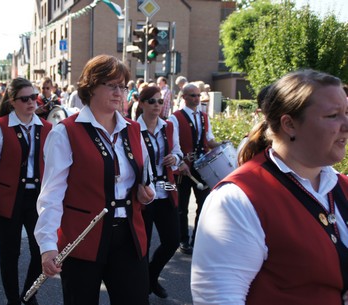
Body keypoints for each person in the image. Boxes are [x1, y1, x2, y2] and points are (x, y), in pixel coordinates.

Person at [191, 69, 348, 305]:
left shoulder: (341, 186)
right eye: (333, 115)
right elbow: (218, 299)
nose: (346, 124)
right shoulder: (237, 198)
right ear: (289, 124)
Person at [34, 54, 155, 305]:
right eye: (111, 85)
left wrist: (146, 191)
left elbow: (146, 177)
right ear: (90, 86)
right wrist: (47, 245)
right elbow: (51, 194)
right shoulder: (65, 132)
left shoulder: (133, 129)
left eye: (122, 86)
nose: (118, 92)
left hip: (129, 237)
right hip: (83, 238)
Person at [0, 78, 52, 305]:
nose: (31, 102)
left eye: (34, 98)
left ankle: (29, 294)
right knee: (10, 253)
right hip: (6, 199)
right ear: (12, 101)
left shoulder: (47, 128)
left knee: (41, 250)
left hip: (37, 199)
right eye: (24, 99)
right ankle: (12, 300)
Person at [137, 86, 182, 299]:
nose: (157, 105)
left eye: (159, 101)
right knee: (142, 245)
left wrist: (176, 158)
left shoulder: (169, 126)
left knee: (173, 239)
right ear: (142, 103)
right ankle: (143, 286)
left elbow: (177, 151)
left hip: (166, 186)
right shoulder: (132, 128)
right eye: (152, 101)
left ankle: (151, 277)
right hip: (143, 191)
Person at [169, 82, 223, 255]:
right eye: (193, 95)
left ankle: (196, 239)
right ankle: (183, 240)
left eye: (198, 95)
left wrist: (223, 146)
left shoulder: (204, 116)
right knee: (182, 207)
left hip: (202, 168)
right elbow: (173, 144)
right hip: (184, 167)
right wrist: (180, 163)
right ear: (184, 97)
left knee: (203, 204)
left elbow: (209, 139)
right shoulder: (175, 118)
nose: (197, 98)